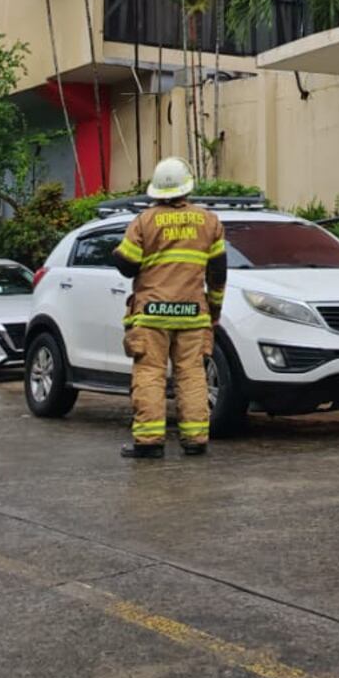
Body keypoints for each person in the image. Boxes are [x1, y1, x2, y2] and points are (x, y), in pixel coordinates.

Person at [112, 157, 226, 460]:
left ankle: (149, 442)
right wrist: (214, 311)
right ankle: (196, 439)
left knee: (150, 374)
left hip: (151, 316)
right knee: (192, 376)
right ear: (187, 187)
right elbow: (218, 272)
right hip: (193, 314)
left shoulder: (144, 222)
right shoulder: (209, 222)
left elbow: (125, 264)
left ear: (157, 191)